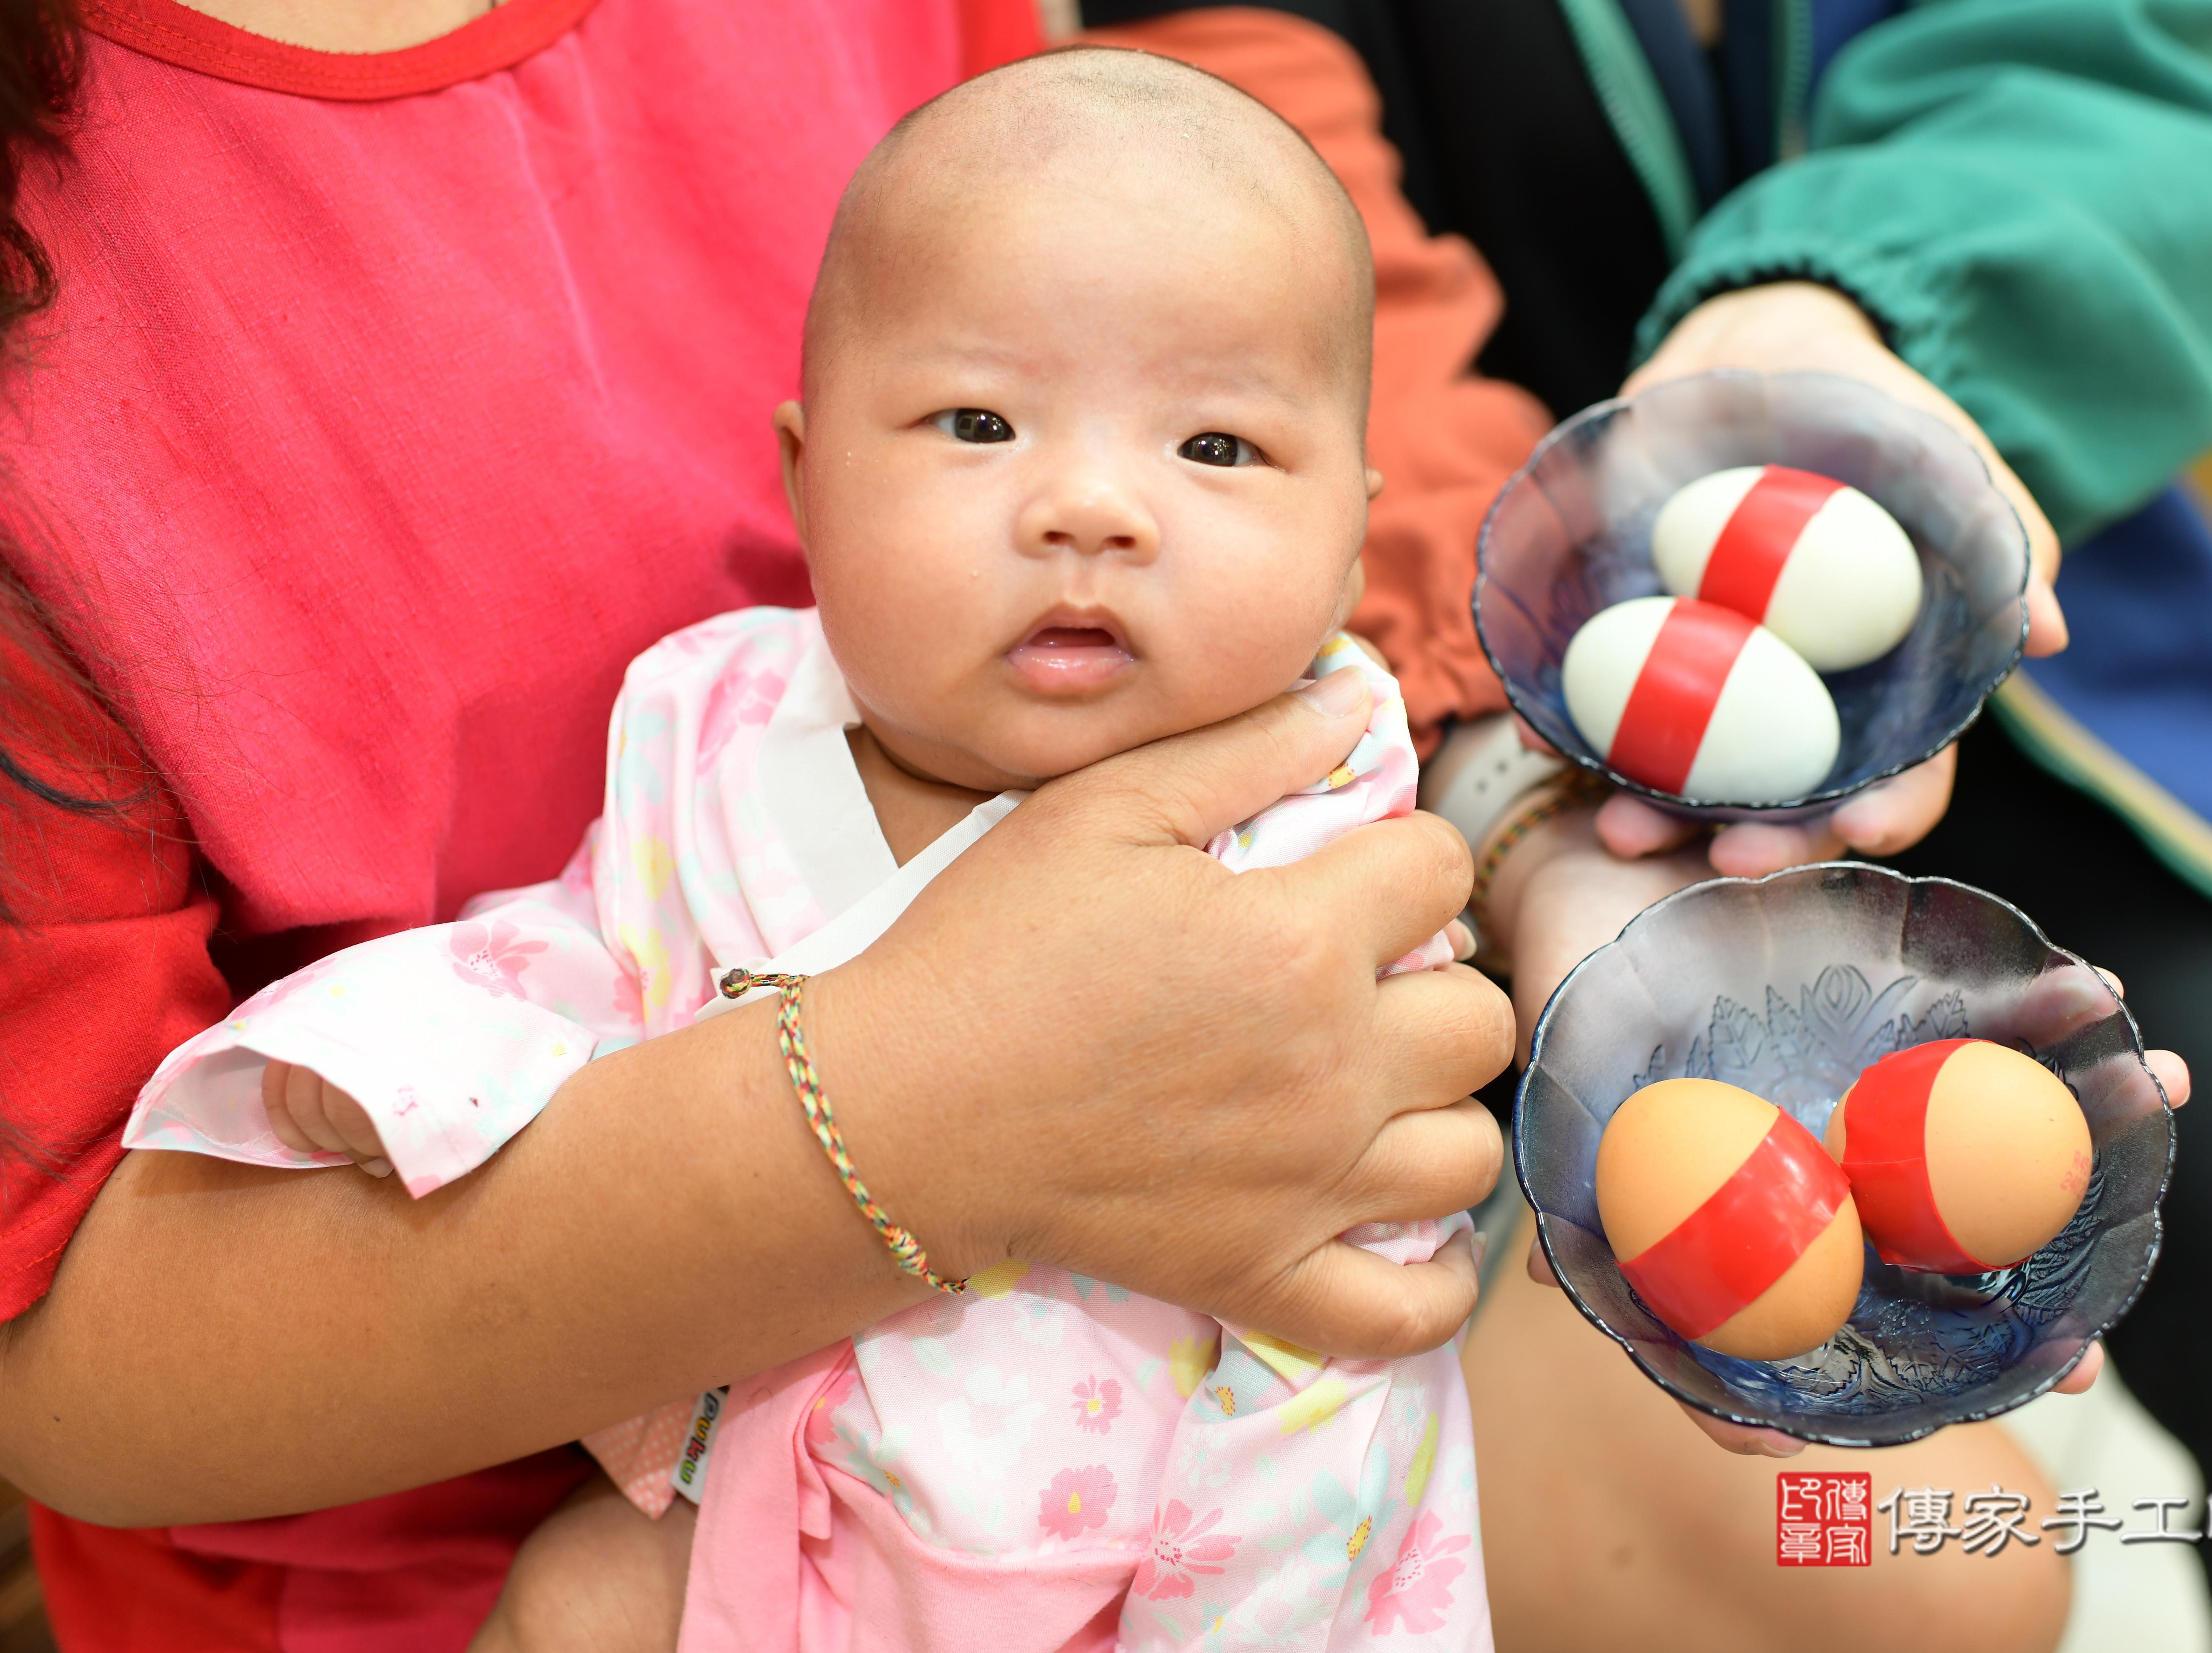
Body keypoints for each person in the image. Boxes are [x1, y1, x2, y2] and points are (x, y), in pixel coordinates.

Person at [0, 3, 1523, 1647]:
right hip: (707, 1504)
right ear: (804, 484)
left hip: (1183, 1515)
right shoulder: (717, 730)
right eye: (978, 426)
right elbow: (576, 962)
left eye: (1215, 450)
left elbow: (1354, 1285)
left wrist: (1532, 815)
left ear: (1342, 526)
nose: (1092, 505)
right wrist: (373, 1073)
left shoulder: (1318, 766)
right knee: (574, 1607)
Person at [1084, 3, 2212, 1651]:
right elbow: (1286, 268)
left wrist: (1830, 313)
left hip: (1999, 660)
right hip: (1442, 673)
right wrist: (1516, 776)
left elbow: (2116, 78)